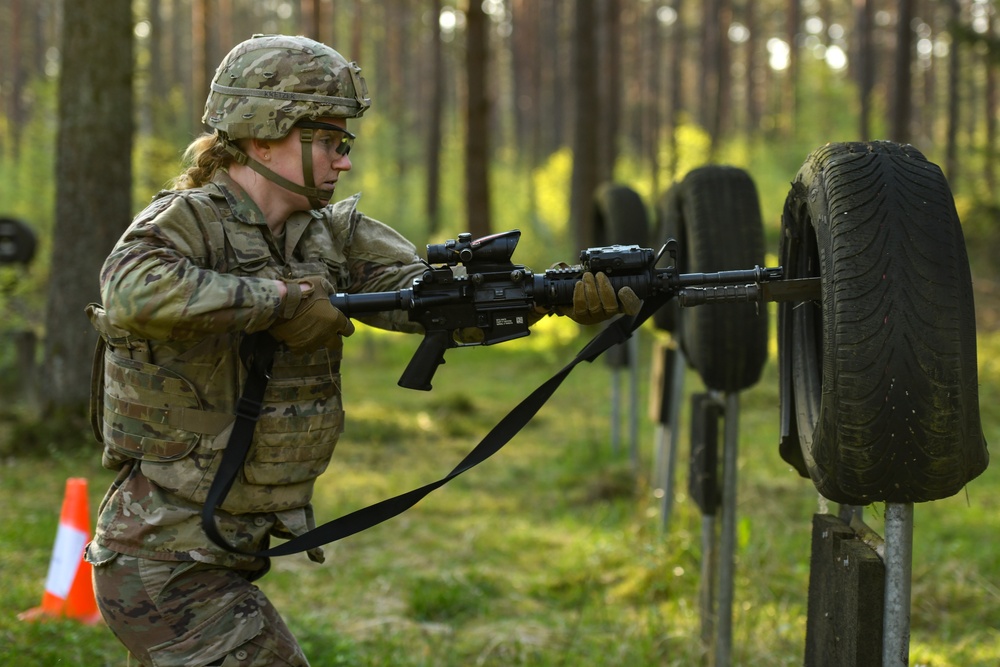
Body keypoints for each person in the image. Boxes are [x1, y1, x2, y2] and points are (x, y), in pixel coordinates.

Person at [84, 34, 638, 667]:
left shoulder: (328, 233)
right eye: (327, 141)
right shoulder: (187, 223)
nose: (343, 162)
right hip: (162, 566)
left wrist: (553, 299)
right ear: (264, 133)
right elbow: (130, 290)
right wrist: (280, 301)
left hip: (218, 553)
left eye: (343, 145)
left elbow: (421, 296)